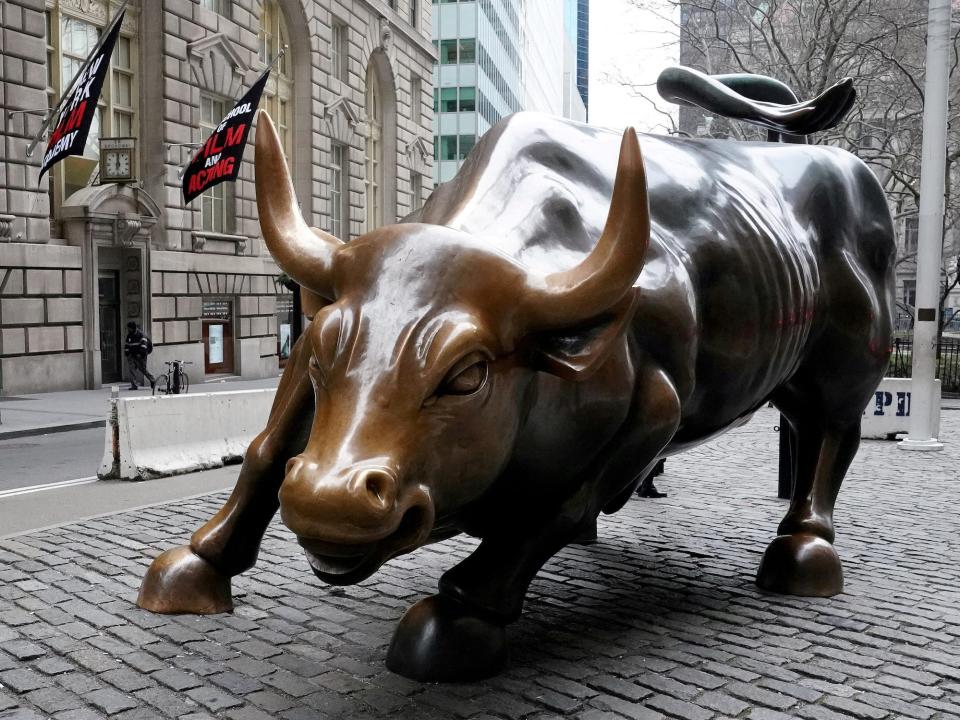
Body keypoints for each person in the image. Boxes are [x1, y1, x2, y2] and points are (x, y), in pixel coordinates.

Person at [124, 321, 156, 391]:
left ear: (133, 328)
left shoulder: (141, 335)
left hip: (140, 356)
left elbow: (144, 346)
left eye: (129, 328)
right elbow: (127, 345)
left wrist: (140, 354)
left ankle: (153, 380)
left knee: (143, 370)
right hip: (132, 356)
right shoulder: (129, 335)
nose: (128, 330)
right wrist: (127, 353)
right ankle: (134, 385)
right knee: (132, 370)